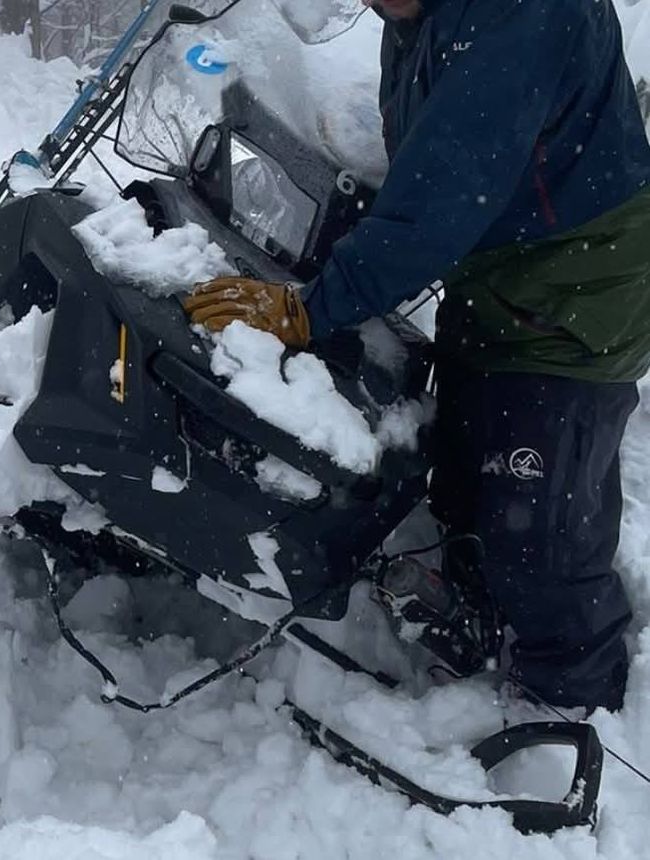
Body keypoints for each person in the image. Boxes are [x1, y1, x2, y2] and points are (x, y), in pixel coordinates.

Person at [183, 0, 650, 713]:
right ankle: (479, 617)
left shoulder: (523, 13)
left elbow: (446, 187)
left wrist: (310, 307)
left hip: (577, 300)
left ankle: (571, 701)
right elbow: (422, 149)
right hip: (501, 276)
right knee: (465, 477)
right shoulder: (420, 15)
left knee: (539, 534)